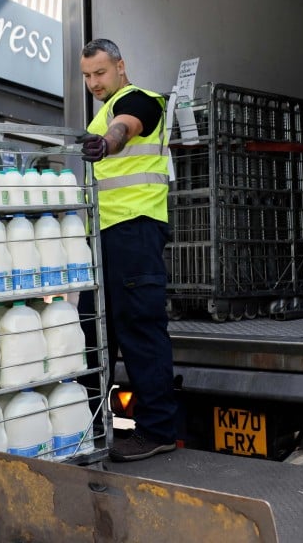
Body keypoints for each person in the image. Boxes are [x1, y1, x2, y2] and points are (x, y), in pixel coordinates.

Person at [77, 38, 178, 462]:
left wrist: (108, 142)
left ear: (121, 65)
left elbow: (127, 126)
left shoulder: (140, 100)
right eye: (86, 76)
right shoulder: (104, 108)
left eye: (100, 72)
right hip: (106, 236)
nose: (93, 82)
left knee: (140, 329)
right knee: (94, 333)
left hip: (134, 232)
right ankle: (93, 428)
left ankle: (156, 430)